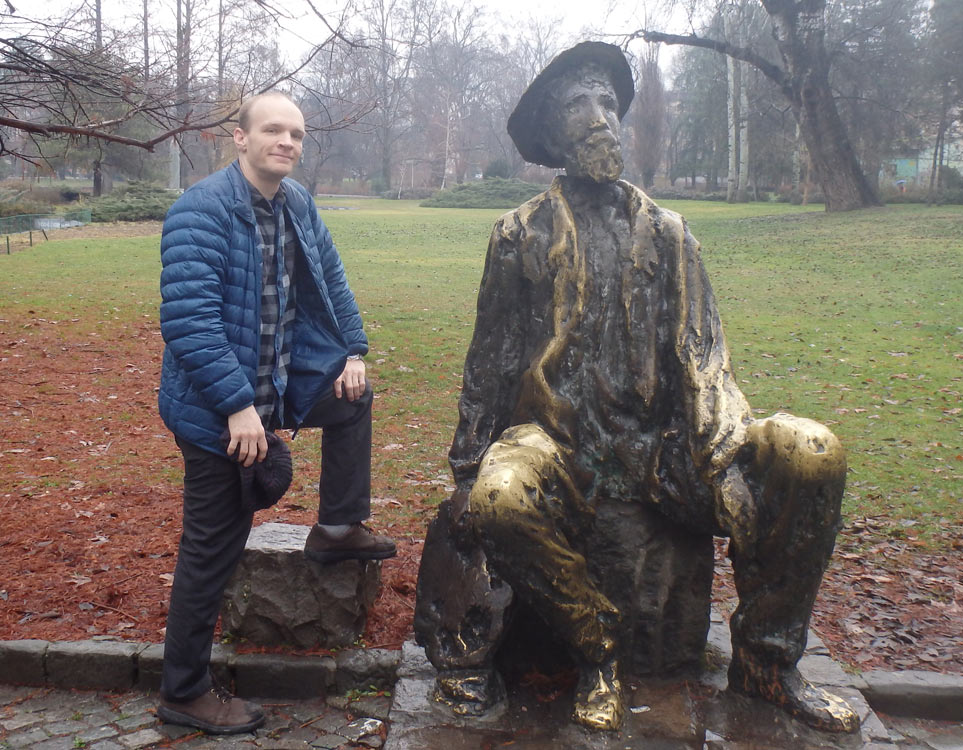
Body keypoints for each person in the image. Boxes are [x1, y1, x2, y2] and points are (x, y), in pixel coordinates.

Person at [421, 42, 859, 734]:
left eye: (608, 104)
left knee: (811, 450)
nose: (601, 120)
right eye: (579, 106)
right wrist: (467, 475)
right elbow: (490, 366)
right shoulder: (518, 235)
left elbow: (706, 360)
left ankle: (767, 661)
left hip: (667, 450)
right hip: (558, 448)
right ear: (552, 133)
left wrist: (733, 455)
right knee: (498, 495)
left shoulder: (671, 234)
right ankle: (599, 649)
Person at [155, 91, 396, 735]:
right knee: (212, 550)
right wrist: (237, 409)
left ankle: (339, 527)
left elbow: (334, 279)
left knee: (353, 399)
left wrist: (352, 350)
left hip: (279, 385)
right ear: (240, 137)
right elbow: (189, 322)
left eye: (295, 133)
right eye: (272, 130)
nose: (286, 141)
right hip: (217, 411)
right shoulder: (200, 212)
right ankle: (183, 692)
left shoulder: (295, 205)